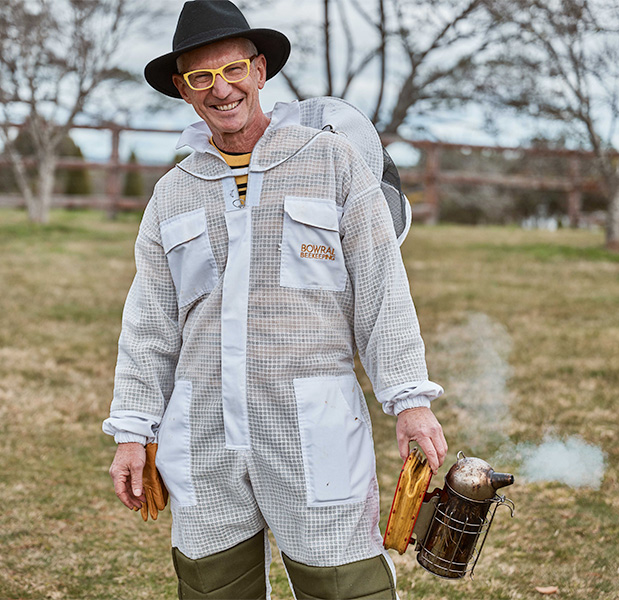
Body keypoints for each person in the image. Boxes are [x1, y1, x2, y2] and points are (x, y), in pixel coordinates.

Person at [103, 1, 448, 598]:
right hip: (204, 433)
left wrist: (409, 401)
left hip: (312, 427)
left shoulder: (331, 160)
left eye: (233, 69)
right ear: (184, 91)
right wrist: (133, 431)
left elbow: (382, 289)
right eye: (201, 77)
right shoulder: (173, 194)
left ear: (260, 71)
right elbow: (150, 324)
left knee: (346, 587)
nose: (221, 88)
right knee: (213, 588)